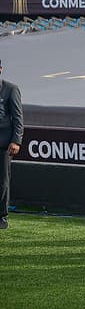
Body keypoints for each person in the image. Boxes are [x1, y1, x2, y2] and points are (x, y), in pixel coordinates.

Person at [0, 59, 23, 229]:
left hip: (3, 143)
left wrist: (16, 140)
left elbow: (18, 118)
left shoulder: (10, 89)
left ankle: (2, 217)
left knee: (2, 180)